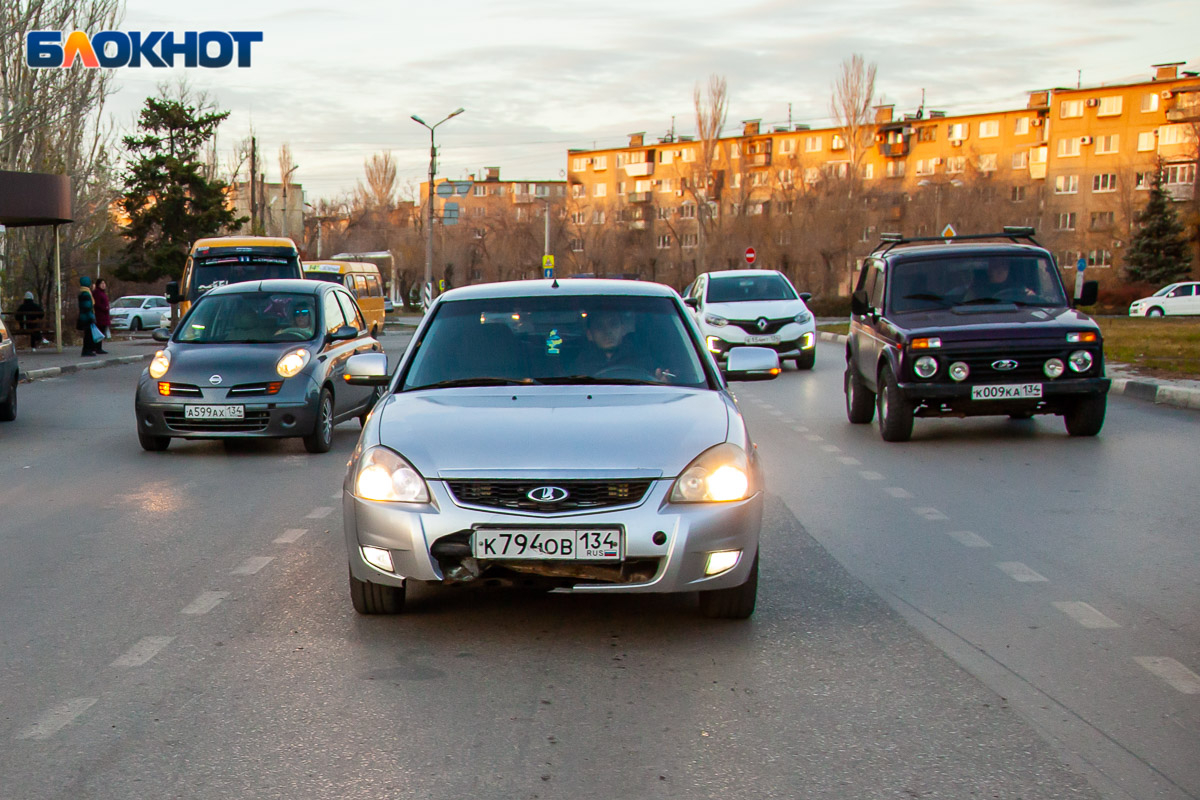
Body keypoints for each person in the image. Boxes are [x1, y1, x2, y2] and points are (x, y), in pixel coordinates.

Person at [573, 308, 666, 380]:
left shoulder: (643, 360)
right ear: (590, 335)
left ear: (623, 329)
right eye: (599, 326)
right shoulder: (581, 366)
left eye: (613, 324)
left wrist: (663, 380)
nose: (607, 332)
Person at [76, 276, 101, 356]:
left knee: (88, 334)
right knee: (88, 335)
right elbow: (87, 307)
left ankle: (87, 350)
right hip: (87, 317)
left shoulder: (83, 292)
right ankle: (87, 350)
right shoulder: (86, 294)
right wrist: (91, 317)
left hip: (84, 316)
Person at [93, 278, 112, 348]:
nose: (103, 285)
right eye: (102, 283)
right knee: (99, 331)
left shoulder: (102, 292)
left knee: (102, 331)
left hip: (104, 316)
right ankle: (97, 347)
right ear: (98, 284)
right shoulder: (97, 293)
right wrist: (105, 308)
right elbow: (97, 304)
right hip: (100, 316)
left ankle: (99, 347)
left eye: (104, 283)